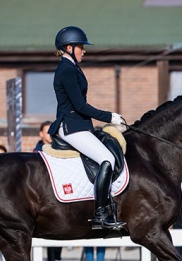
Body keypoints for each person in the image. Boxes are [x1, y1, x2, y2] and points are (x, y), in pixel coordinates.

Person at [48, 26, 125, 231]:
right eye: (81, 46)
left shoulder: (72, 67)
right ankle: (100, 214)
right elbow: (80, 106)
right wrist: (110, 116)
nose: (84, 50)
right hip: (70, 126)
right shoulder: (66, 70)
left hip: (79, 125)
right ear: (69, 47)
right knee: (106, 159)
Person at [33, 121, 67, 261]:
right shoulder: (36, 152)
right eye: (47, 132)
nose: (50, 135)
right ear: (40, 134)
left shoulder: (57, 150)